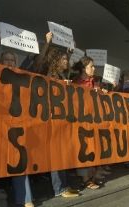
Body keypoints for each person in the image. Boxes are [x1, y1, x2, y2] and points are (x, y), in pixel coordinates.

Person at [0, 50, 34, 207]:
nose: (9, 63)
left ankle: (25, 199)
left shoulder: (21, 78)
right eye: (6, 59)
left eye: (12, 60)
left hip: (15, 126)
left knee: (19, 160)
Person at [43, 47, 80, 198]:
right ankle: (59, 188)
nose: (66, 61)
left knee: (62, 154)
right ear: (56, 61)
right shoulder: (51, 75)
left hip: (63, 119)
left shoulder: (62, 74)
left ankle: (65, 186)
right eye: (64, 59)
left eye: (67, 59)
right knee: (57, 155)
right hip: (54, 120)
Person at [72, 56, 102, 190]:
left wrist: (102, 92)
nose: (94, 68)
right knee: (84, 148)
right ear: (84, 68)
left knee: (93, 148)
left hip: (93, 121)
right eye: (91, 66)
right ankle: (85, 179)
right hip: (81, 121)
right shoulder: (77, 82)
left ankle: (91, 176)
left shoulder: (94, 82)